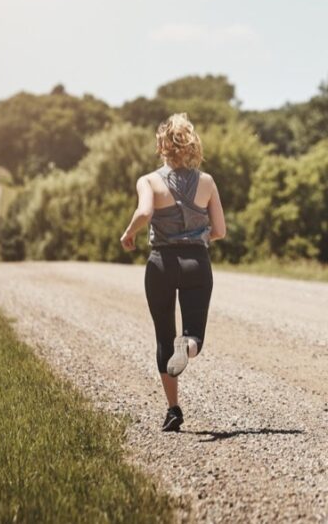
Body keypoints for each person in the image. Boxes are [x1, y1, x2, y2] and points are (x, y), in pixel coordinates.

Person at [120, 113, 226, 432]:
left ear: (162, 145)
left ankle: (174, 410)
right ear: (192, 144)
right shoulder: (207, 182)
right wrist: (196, 234)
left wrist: (129, 234)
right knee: (193, 335)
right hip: (196, 262)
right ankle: (189, 346)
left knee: (164, 336)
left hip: (161, 264)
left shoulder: (149, 181)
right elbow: (219, 230)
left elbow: (145, 212)